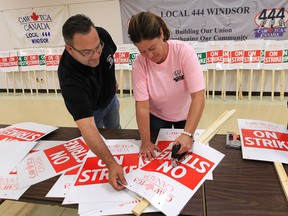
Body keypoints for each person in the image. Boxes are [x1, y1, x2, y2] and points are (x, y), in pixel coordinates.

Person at [58, 14, 126, 190]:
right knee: (96, 140)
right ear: (70, 48)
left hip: (111, 100)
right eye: (87, 52)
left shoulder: (101, 35)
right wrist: (111, 164)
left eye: (97, 48)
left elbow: (111, 56)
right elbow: (87, 126)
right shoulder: (69, 77)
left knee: (116, 133)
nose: (95, 55)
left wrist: (111, 80)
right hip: (92, 111)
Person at [128, 11, 205, 160]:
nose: (149, 56)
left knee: (185, 153)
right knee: (156, 156)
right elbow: (142, 106)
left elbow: (198, 97)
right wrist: (145, 141)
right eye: (142, 51)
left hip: (185, 114)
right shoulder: (139, 64)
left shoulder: (184, 52)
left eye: (152, 48)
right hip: (157, 114)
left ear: (161, 34)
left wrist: (188, 134)